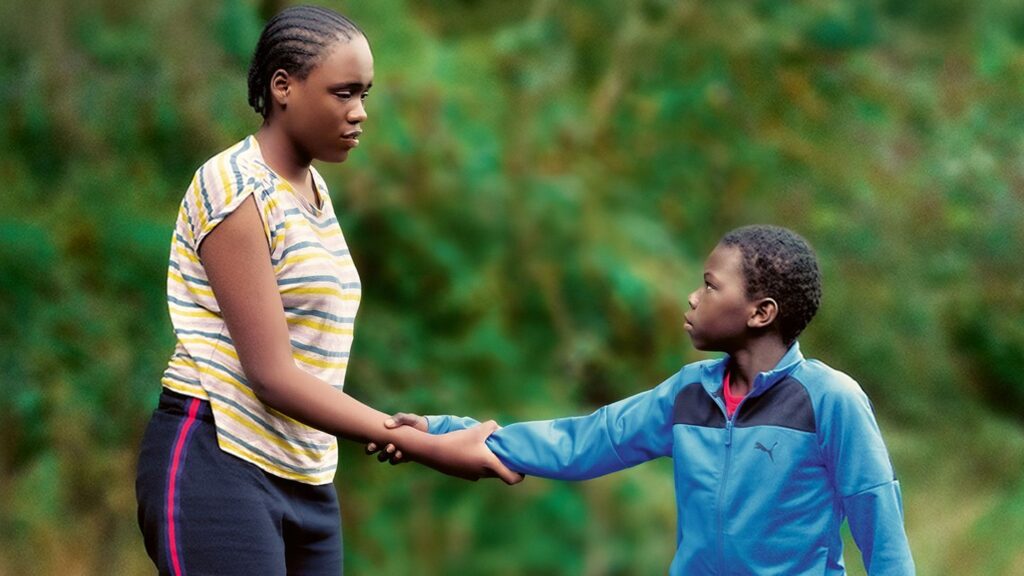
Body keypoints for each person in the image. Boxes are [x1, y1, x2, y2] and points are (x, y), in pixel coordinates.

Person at [135, 6, 519, 575]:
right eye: (343, 93)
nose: (359, 112)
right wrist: (424, 445)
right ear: (283, 87)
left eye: (364, 94)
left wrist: (407, 430)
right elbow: (273, 375)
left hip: (306, 475)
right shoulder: (235, 185)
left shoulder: (311, 190)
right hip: (218, 461)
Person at [370, 225, 915, 575]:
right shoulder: (689, 393)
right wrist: (444, 430)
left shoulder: (830, 400)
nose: (693, 297)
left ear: (761, 312)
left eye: (711, 286)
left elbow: (879, 526)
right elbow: (583, 442)